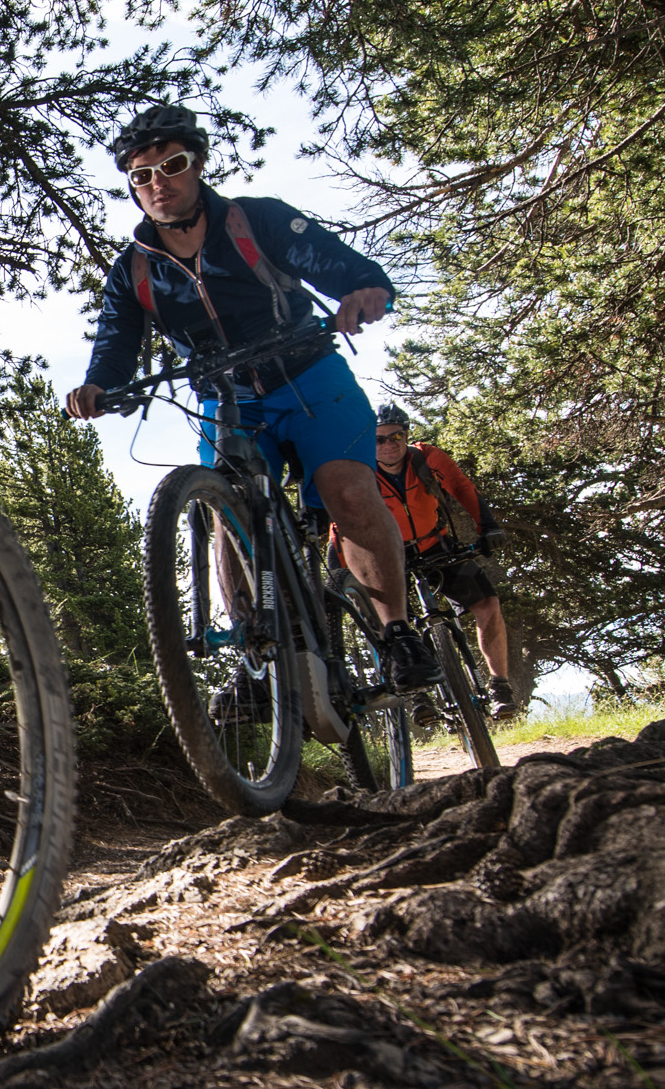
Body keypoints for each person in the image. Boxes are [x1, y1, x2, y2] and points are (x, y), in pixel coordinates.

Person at [63, 102, 435, 693]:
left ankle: (397, 634)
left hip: (310, 378)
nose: (158, 183)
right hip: (226, 397)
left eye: (172, 165)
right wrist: (100, 386)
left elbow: (338, 265)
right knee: (226, 513)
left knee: (346, 489)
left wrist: (364, 292)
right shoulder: (134, 268)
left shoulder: (255, 221)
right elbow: (116, 340)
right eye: (141, 175)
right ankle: (257, 658)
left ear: (199, 164)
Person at [355, 405, 520, 719]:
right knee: (388, 625)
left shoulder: (427, 458)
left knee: (487, 605)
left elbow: (461, 487)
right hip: (389, 556)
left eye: (396, 436)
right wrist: (340, 565)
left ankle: (500, 686)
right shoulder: (360, 471)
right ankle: (418, 695)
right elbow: (342, 522)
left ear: (407, 435)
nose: (389, 444)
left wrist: (488, 527)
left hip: (435, 544)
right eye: (379, 440)